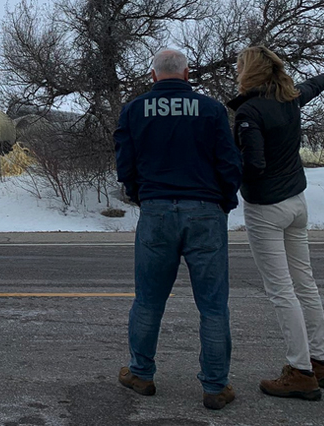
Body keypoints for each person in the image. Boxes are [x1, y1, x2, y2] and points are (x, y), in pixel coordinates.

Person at [114, 49, 243, 411]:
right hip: (205, 211)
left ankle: (141, 373)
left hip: (156, 211)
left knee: (149, 300)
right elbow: (229, 162)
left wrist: (143, 196)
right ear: (187, 74)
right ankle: (215, 387)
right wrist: (223, 201)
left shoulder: (135, 109)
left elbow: (125, 164)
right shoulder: (212, 109)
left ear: (154, 76)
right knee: (213, 305)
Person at [227, 46, 324, 401]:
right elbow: (310, 87)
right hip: (297, 203)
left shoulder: (250, 111)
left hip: (266, 208)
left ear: (248, 72)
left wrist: (226, 175)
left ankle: (300, 371)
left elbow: (254, 164)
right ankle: (320, 361)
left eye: (239, 66)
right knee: (305, 284)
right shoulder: (288, 98)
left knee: (282, 291)